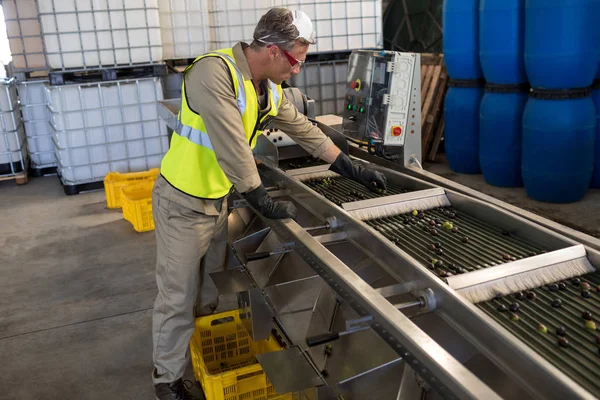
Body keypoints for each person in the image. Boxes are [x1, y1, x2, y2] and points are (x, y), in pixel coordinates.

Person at [151, 7, 387, 400]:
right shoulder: (214, 73)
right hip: (183, 204)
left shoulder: (266, 89)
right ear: (274, 51)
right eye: (295, 60)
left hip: (217, 202)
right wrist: (258, 196)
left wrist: (348, 165)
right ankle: (167, 379)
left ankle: (194, 348)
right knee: (177, 297)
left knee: (204, 293)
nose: (297, 70)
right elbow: (230, 144)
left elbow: (304, 129)